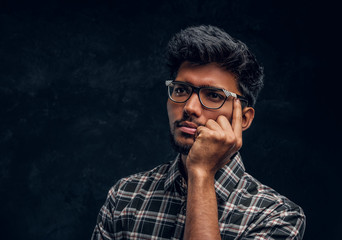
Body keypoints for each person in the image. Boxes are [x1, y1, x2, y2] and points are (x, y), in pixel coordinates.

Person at [91, 25, 306, 240]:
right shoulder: (125, 196)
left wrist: (201, 172)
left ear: (245, 118)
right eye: (181, 90)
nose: (190, 107)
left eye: (213, 95)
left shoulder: (276, 216)